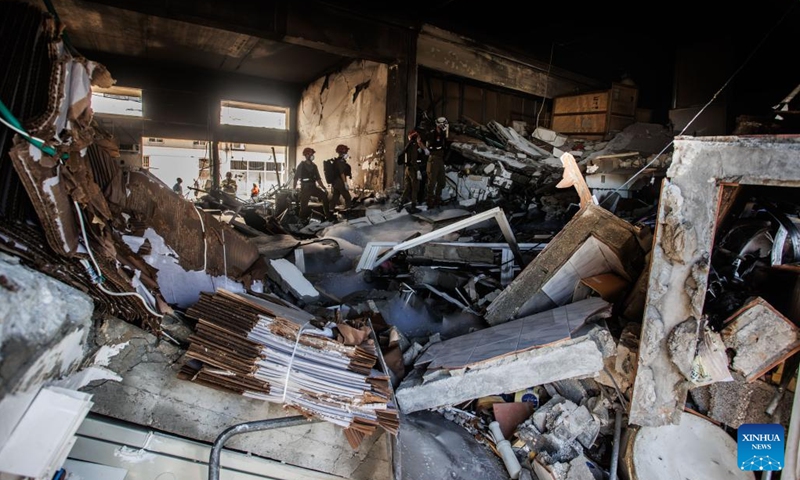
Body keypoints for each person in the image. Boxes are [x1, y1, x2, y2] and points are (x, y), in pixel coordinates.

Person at [293, 147, 330, 221]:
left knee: (324, 196)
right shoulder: (301, 165)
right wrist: (294, 189)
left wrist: (323, 188)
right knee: (304, 205)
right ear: (306, 155)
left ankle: (328, 216)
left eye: (312, 154)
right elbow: (296, 178)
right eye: (311, 154)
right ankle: (301, 220)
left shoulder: (314, 166)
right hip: (305, 188)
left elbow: (318, 179)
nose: (312, 156)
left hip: (313, 187)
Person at [396, 129, 427, 213]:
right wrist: (418, 171)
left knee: (407, 188)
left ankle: (400, 204)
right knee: (415, 188)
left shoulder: (409, 145)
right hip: (413, 169)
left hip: (407, 169)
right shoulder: (413, 145)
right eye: (418, 137)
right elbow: (414, 160)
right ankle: (413, 206)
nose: (419, 139)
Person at [425, 116, 450, 209]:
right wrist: (437, 148)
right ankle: (429, 200)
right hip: (434, 159)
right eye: (443, 124)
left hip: (440, 159)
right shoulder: (432, 134)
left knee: (442, 181)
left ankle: (437, 198)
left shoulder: (443, 134)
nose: (445, 126)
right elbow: (430, 146)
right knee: (432, 181)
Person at [328, 144, 352, 218]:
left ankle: (330, 213)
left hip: (335, 182)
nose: (347, 154)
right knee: (348, 197)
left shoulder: (337, 161)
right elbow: (342, 173)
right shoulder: (340, 162)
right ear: (342, 152)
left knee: (335, 197)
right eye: (346, 152)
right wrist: (345, 183)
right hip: (339, 182)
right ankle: (348, 213)